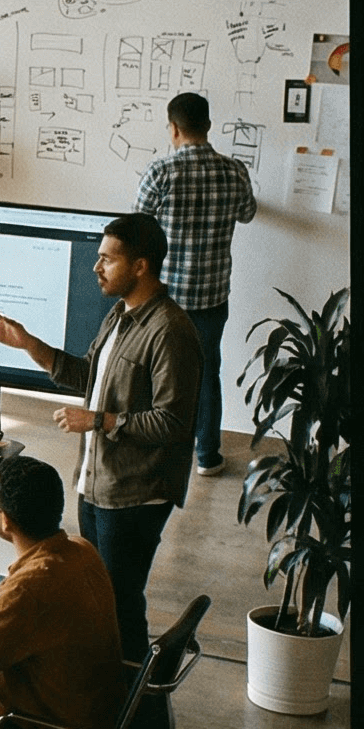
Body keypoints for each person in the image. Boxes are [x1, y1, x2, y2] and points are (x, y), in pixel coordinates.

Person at [0, 212, 201, 666]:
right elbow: (86, 375)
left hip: (136, 493)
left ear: (140, 266)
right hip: (96, 484)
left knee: (119, 601)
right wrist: (29, 344)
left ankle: (135, 707)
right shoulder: (120, 315)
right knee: (95, 596)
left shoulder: (170, 330)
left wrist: (98, 421)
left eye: (107, 259)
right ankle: (102, 689)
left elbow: (173, 423)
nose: (96, 268)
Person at [0, 456, 126, 729]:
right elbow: (8, 597)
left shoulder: (32, 587)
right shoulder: (80, 549)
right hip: (90, 719)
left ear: (5, 520)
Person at [136, 91, 257, 476]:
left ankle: (155, 450)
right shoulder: (234, 170)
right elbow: (249, 213)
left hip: (165, 297)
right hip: (212, 295)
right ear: (207, 125)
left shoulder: (161, 172)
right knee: (207, 372)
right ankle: (207, 456)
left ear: (173, 129)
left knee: (154, 371)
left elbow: (137, 227)